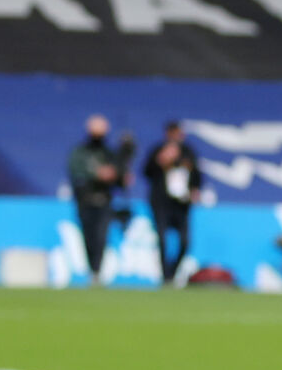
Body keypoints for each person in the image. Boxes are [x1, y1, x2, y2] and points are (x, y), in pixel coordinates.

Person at [67, 114, 132, 284]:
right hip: (85, 200)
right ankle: (92, 269)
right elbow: (76, 172)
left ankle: (97, 271)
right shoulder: (80, 152)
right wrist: (97, 174)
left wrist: (121, 177)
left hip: (104, 200)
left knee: (101, 236)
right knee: (88, 236)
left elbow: (119, 177)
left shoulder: (109, 153)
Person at [142, 121, 201, 285]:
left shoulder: (188, 152)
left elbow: (197, 174)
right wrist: (161, 161)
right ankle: (164, 276)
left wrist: (195, 189)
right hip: (161, 203)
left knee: (184, 241)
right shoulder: (158, 150)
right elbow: (146, 172)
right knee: (162, 239)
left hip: (182, 204)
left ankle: (173, 272)